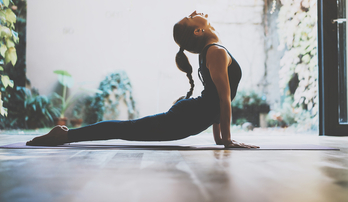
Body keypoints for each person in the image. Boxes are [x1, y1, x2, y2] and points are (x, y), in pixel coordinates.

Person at [26, 11, 259, 149]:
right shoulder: (215, 51)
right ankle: (64, 135)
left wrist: (220, 139)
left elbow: (216, 100)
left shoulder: (212, 51)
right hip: (186, 118)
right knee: (128, 129)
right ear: (198, 32)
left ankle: (65, 135)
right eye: (191, 16)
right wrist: (226, 139)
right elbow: (222, 99)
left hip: (190, 117)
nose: (198, 13)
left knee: (129, 129)